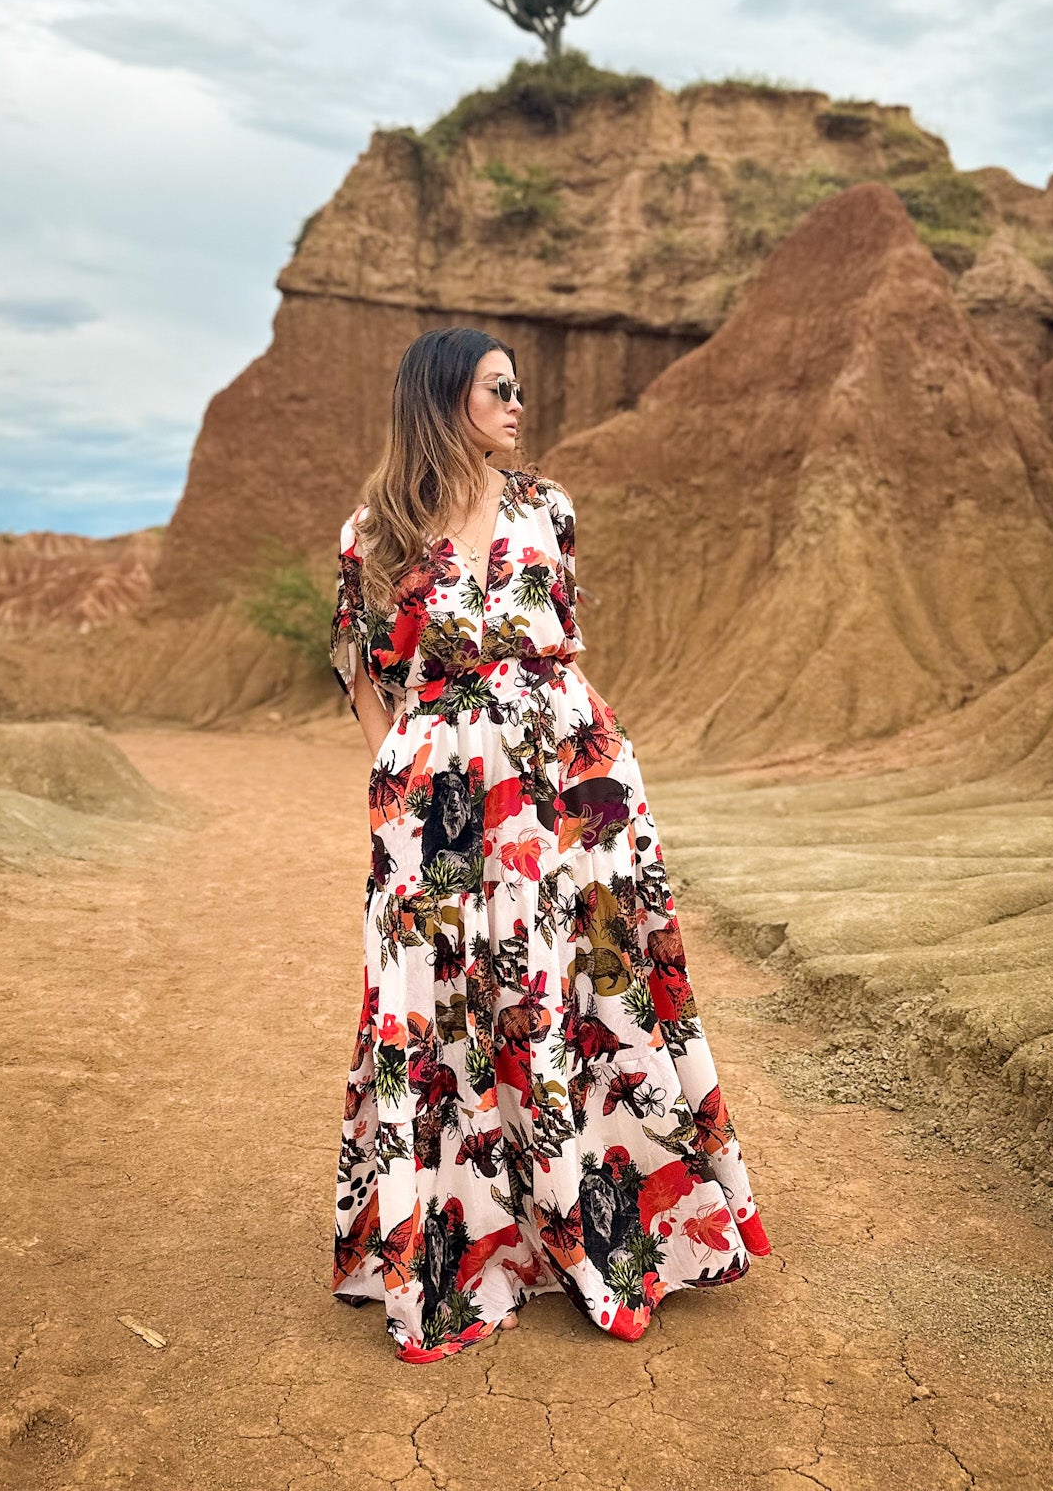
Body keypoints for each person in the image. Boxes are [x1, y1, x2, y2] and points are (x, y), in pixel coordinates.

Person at [329, 326, 769, 1363]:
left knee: (585, 990)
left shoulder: (547, 507)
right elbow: (360, 667)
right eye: (497, 389)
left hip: (573, 786)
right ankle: (461, 1246)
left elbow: (561, 650)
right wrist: (400, 772)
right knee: (439, 1004)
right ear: (445, 399)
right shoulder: (376, 531)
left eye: (519, 389)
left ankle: (594, 1228)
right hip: (437, 800)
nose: (519, 404)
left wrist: (589, 775)